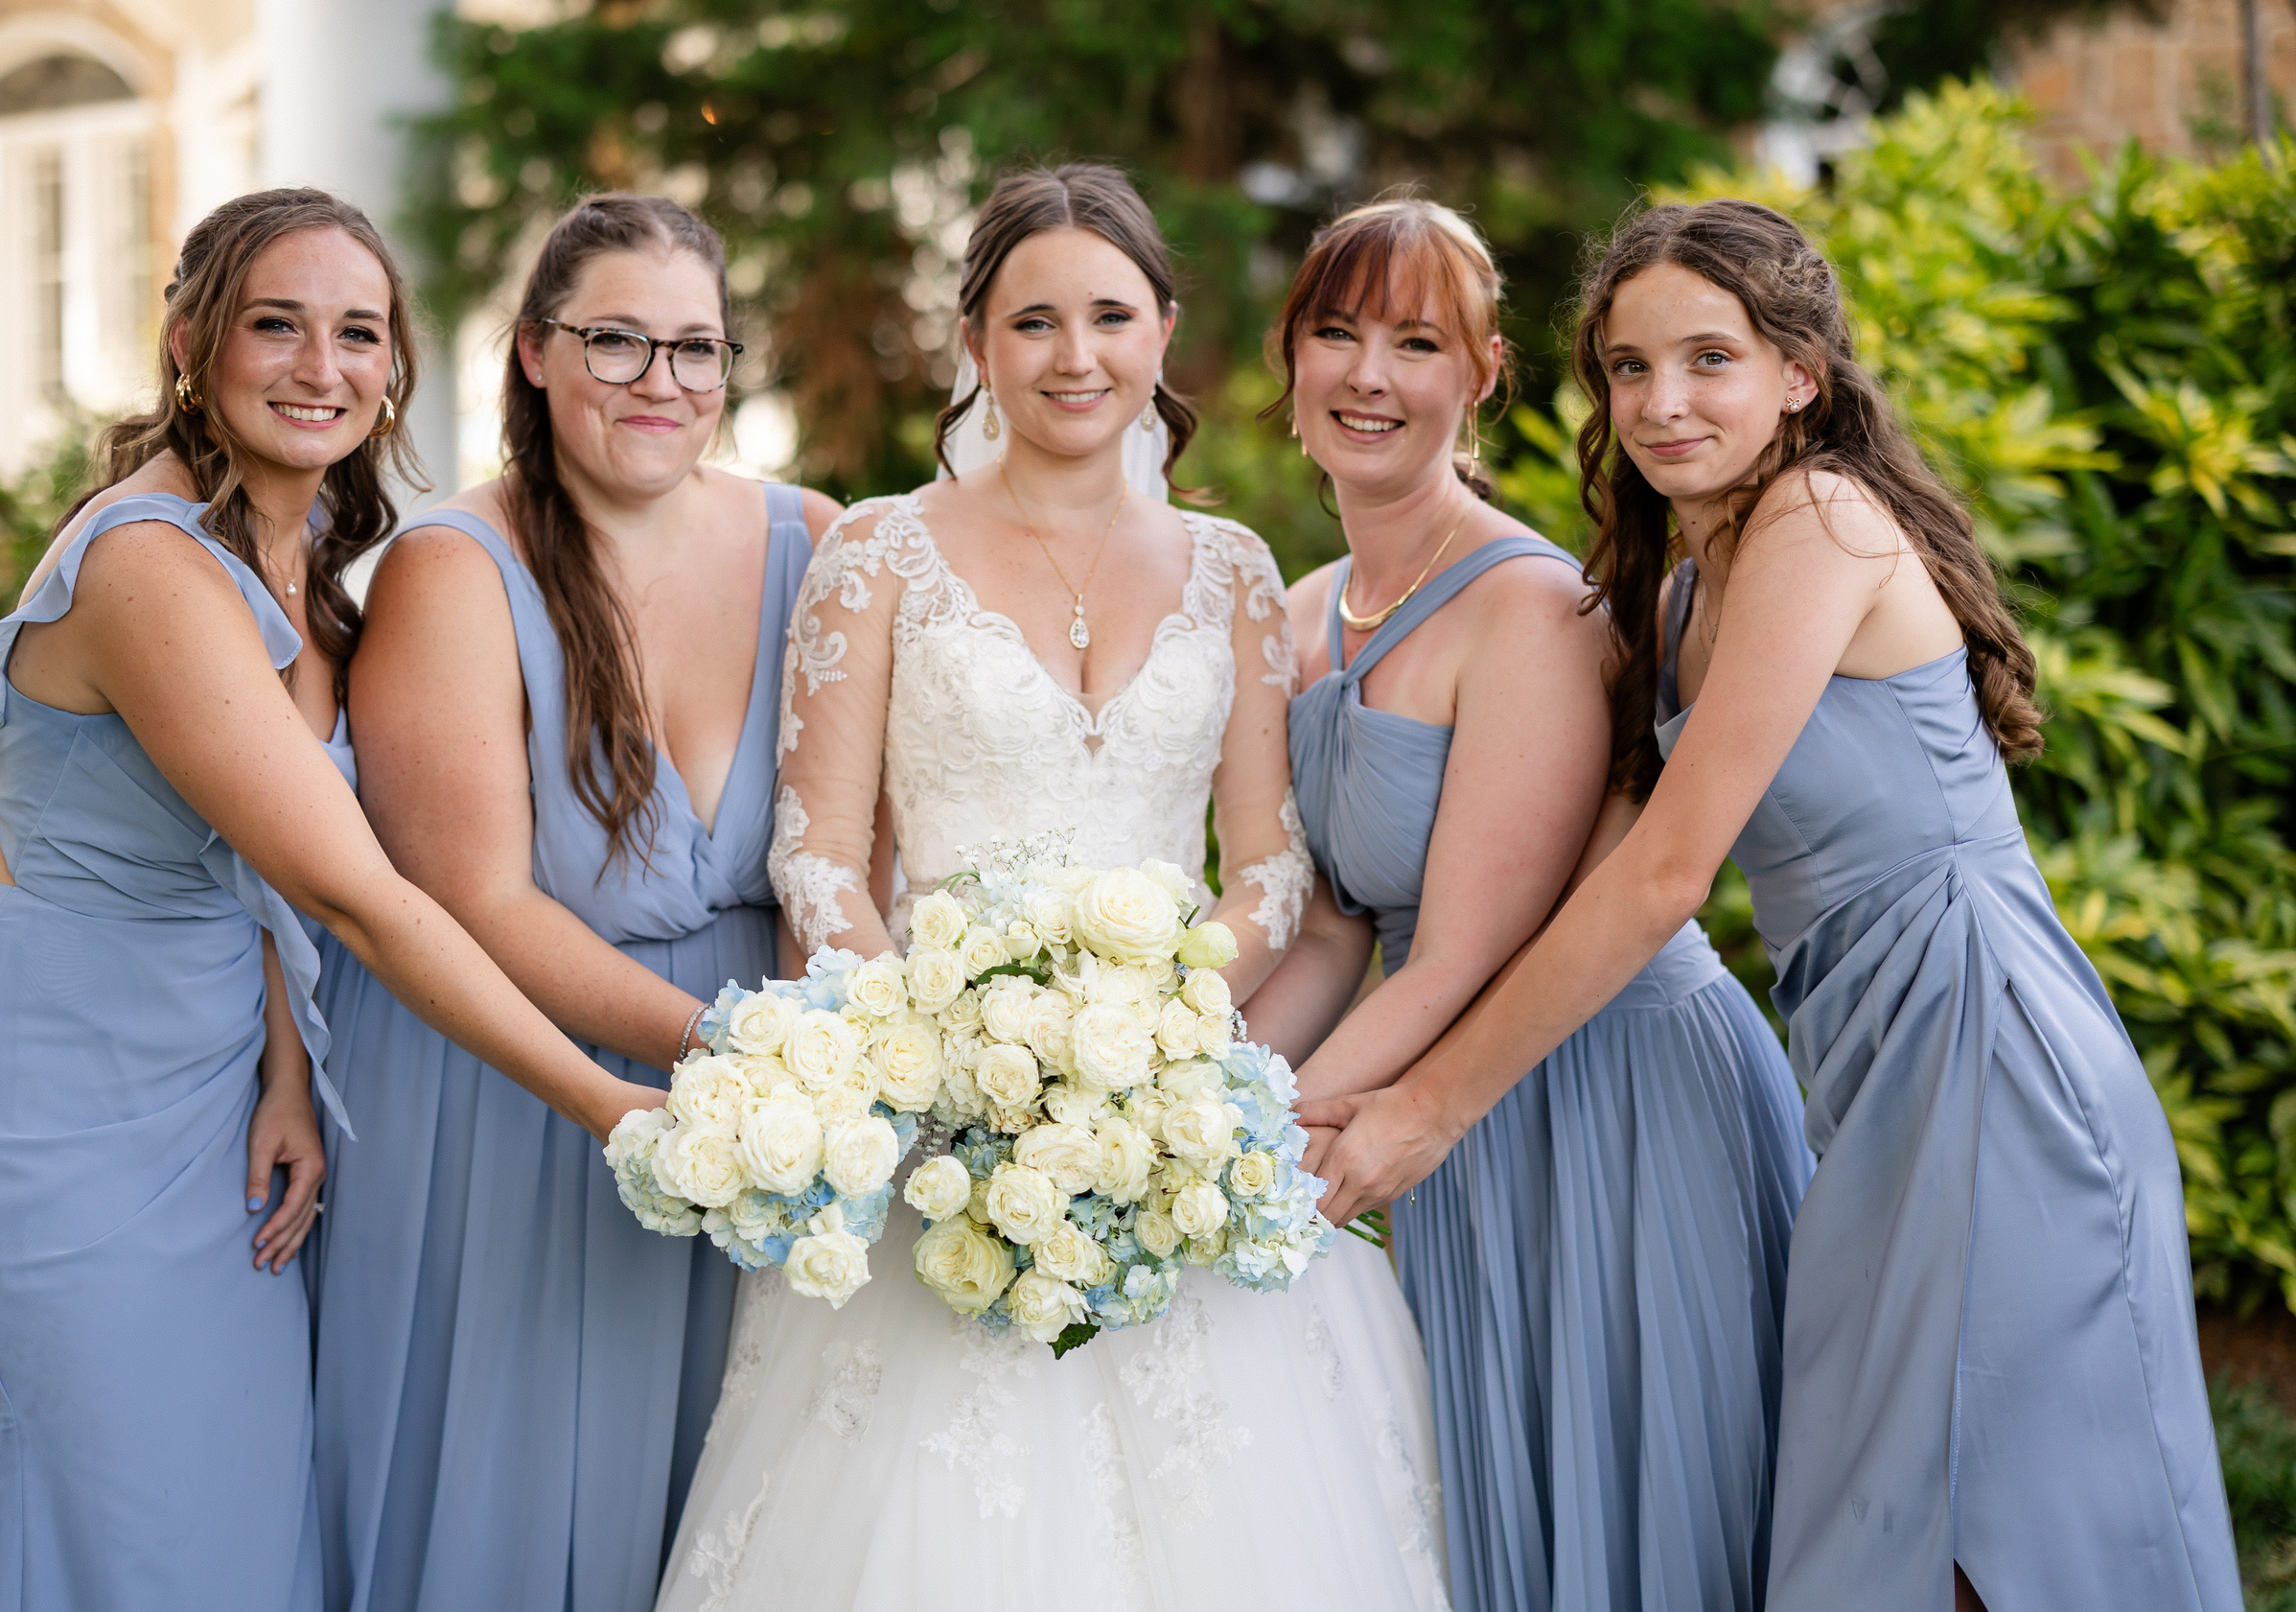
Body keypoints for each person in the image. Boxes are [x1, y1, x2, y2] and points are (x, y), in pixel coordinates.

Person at [1301, 199, 2240, 1612]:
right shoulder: (1679, 588)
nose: (1662, 403)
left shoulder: (1817, 520)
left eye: (1708, 360)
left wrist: (1433, 1109)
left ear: (1800, 372)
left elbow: (1670, 876)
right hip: (1870, 1072)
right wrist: (1302, 1094)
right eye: (1628, 368)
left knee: (2001, 1524)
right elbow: (1582, 879)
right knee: (1877, 1528)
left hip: (1989, 1050)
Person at [655, 164, 1449, 1612]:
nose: (1074, 357)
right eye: (1033, 322)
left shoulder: (1233, 567)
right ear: (976, 342)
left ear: (1163, 333)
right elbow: (820, 851)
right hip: (937, 1123)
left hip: (1175, 1123)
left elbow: (1270, 864)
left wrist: (1155, 1024)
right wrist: (930, 1049)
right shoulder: (877, 551)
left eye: (1108, 317)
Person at [0, 188, 665, 1612]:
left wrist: (290, 1068)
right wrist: (612, 1104)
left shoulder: (296, 555)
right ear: (189, 340)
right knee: (71, 1492)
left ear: (396, 369)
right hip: (42, 1086)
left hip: (203, 1075)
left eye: (360, 334)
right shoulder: (148, 566)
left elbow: (255, 853)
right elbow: (353, 892)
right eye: (275, 325)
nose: (322, 366)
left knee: (224, 1500)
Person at [1245, 197, 1810, 1612]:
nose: (1370, 376)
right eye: (1338, 334)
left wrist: (1232, 1135)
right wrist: (1189, 1075)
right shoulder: (1302, 613)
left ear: (1483, 373)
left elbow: (1466, 956)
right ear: (1290, 358)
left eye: (1417, 342)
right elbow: (1330, 929)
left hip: (1604, 1084)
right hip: (1441, 1099)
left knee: (1641, 1506)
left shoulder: (1530, 608)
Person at [307, 194, 840, 1612]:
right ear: (536, 353)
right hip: (514, 1093)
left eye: (698, 350)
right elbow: (474, 898)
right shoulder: (453, 567)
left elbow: (851, 855)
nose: (662, 386)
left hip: (766, 1099)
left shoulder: (820, 540)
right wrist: (743, 1059)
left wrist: (813, 1068)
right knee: (514, 1503)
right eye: (617, 344)